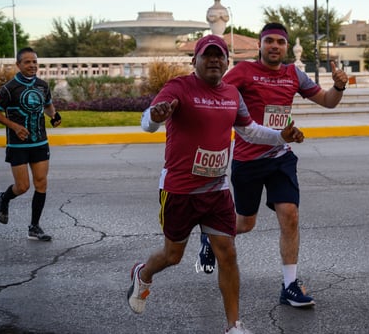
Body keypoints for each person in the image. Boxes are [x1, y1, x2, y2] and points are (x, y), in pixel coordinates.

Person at [127, 34, 304, 334]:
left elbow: (249, 131)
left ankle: (234, 326)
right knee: (173, 255)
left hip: (217, 190)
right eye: (206, 55)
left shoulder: (232, 95)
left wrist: (279, 137)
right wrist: (153, 119)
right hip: (179, 190)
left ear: (226, 62)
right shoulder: (178, 87)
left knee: (228, 254)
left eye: (219, 56)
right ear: (194, 60)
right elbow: (149, 120)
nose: (213, 60)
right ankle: (142, 273)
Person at [199, 23, 348, 307]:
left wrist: (339, 86)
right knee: (244, 223)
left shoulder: (294, 74)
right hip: (248, 159)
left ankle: (290, 285)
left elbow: (328, 102)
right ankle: (209, 235)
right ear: (260, 45)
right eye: (269, 41)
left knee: (290, 215)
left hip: (280, 157)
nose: (275, 46)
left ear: (287, 46)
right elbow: (218, 95)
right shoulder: (243, 72)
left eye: (280, 41)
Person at [0, 47, 62, 241]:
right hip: (18, 145)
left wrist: (54, 115)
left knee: (41, 183)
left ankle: (34, 227)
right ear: (18, 65)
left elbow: (48, 105)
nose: (32, 65)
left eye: (34, 61)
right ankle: (4, 198)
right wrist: (14, 126)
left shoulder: (43, 85)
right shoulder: (9, 88)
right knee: (23, 186)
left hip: (40, 142)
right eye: (27, 62)